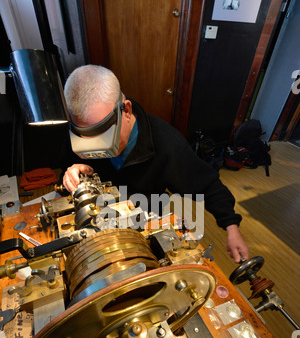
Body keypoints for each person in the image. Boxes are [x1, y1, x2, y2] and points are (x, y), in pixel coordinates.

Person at [61, 65, 249, 263]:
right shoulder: (81, 129)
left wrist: (231, 226)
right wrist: (74, 172)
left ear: (126, 110)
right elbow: (65, 176)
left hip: (145, 222)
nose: (96, 147)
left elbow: (208, 186)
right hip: (97, 225)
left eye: (105, 137)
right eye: (88, 138)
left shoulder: (167, 144)